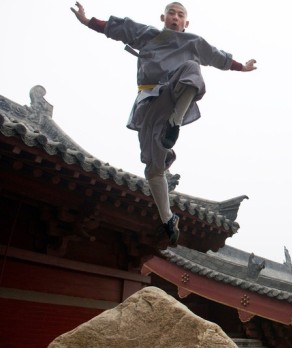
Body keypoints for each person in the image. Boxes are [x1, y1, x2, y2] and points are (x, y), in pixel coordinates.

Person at [70, 2, 257, 246]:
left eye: (180, 15)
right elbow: (120, 29)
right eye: (171, 13)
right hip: (149, 102)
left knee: (192, 68)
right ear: (163, 17)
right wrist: (89, 22)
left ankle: (175, 123)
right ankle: (168, 219)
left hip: (174, 94)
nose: (175, 18)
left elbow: (215, 55)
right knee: (153, 168)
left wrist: (241, 67)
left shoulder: (192, 41)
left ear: (185, 22)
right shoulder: (147, 35)